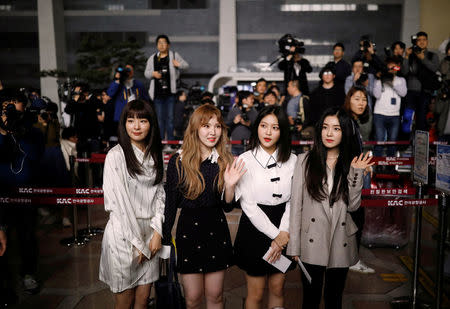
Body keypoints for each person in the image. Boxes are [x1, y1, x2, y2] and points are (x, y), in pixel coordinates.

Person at [287, 107, 374, 309]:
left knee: (334, 298)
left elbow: (353, 205)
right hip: (311, 238)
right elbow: (296, 207)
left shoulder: (352, 163)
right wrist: (294, 245)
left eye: (336, 129)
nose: (329, 133)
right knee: (310, 298)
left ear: (345, 132)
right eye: (325, 127)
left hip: (341, 238)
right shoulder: (304, 161)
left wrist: (357, 173)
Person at [162, 104, 244, 309]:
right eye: (206, 126)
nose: (212, 132)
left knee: (215, 296)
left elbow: (227, 206)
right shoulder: (178, 161)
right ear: (195, 128)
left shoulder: (224, 160)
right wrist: (164, 241)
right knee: (192, 298)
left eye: (217, 126)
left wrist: (231, 185)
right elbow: (170, 205)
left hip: (217, 231)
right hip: (188, 233)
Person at [99, 99, 165, 309]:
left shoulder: (156, 154)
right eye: (131, 120)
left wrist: (157, 233)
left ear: (151, 124)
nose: (136, 127)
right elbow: (118, 206)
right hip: (124, 236)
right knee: (124, 302)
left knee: (143, 300)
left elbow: (160, 195)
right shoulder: (115, 156)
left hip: (151, 233)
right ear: (124, 124)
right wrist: (138, 243)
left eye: (142, 120)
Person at [233, 105, 296, 309]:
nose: (268, 132)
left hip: (284, 224)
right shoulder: (244, 160)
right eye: (263, 126)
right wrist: (275, 235)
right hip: (254, 228)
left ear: (282, 131)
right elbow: (248, 205)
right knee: (256, 292)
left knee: (278, 287)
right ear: (256, 128)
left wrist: (284, 232)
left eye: (275, 127)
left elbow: (293, 200)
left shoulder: (293, 160)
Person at [342, 86, 375, 274]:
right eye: (357, 99)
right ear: (349, 100)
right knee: (355, 218)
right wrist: (356, 169)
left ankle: (350, 258)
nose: (361, 103)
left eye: (364, 99)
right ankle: (351, 260)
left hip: (352, 176)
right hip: (348, 179)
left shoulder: (353, 122)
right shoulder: (346, 121)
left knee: (353, 219)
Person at [144, 34, 189, 142]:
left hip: (170, 93)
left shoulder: (173, 55)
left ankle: (170, 141)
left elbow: (186, 66)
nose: (161, 45)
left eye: (164, 43)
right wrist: (153, 73)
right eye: (159, 43)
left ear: (168, 45)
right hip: (157, 93)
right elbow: (146, 73)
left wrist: (178, 65)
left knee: (170, 118)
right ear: (157, 45)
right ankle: (160, 143)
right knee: (159, 119)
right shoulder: (153, 58)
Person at [401, 31, 440, 131]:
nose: (422, 42)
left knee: (421, 119)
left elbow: (434, 68)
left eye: (424, 40)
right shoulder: (410, 55)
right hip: (411, 91)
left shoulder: (432, 55)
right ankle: (406, 143)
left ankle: (420, 144)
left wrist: (423, 58)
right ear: (415, 42)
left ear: (427, 42)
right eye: (419, 40)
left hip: (425, 91)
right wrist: (406, 57)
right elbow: (404, 72)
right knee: (407, 118)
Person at [373, 57, 407, 157]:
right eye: (389, 66)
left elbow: (403, 93)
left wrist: (392, 82)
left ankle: (391, 165)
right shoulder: (379, 80)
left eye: (394, 66)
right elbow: (376, 95)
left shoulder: (401, 80)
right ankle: (377, 164)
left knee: (392, 141)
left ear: (397, 68)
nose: (392, 68)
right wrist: (381, 79)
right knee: (379, 140)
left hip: (395, 115)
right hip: (379, 114)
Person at [226, 90, 258, 156]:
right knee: (236, 165)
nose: (253, 100)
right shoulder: (234, 111)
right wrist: (234, 122)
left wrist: (249, 125)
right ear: (244, 100)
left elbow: (257, 129)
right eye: (251, 99)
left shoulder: (254, 112)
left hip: (249, 146)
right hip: (235, 146)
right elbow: (226, 128)